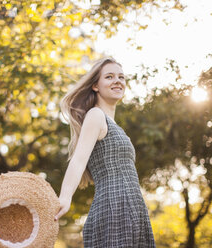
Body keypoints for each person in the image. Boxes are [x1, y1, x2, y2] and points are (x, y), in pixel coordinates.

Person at [54, 57, 156, 247]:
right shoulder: (95, 115)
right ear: (95, 86)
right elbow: (78, 160)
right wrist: (65, 197)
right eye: (109, 77)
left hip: (133, 207)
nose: (117, 81)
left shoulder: (114, 125)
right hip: (115, 207)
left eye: (121, 77)